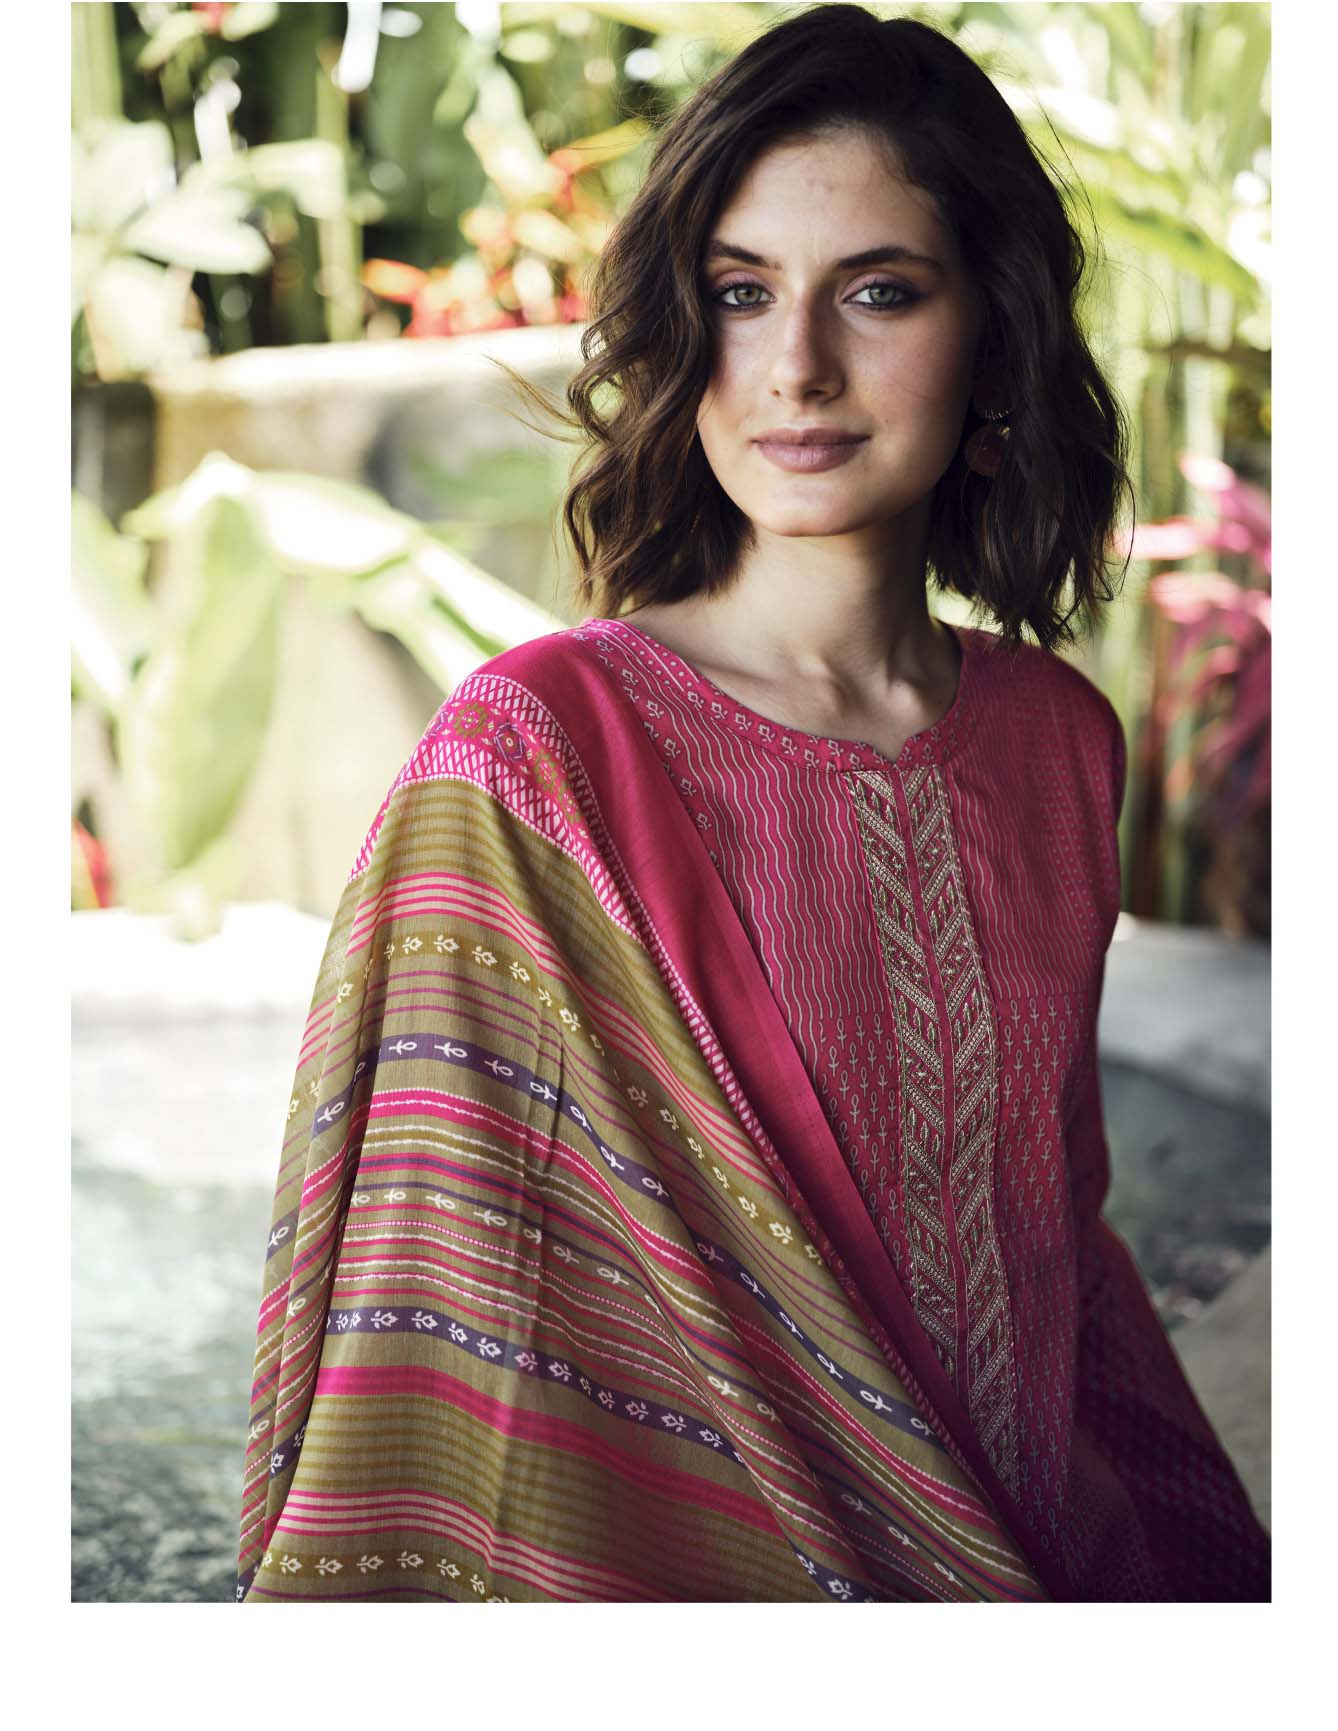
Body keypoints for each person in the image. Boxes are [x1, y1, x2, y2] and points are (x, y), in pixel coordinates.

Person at [236, 5, 1270, 1602]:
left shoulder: (1058, 740)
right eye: (738, 294)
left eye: (876, 291)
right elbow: (445, 1288)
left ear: (991, 338)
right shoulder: (540, 753)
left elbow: (1059, 1240)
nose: (795, 367)